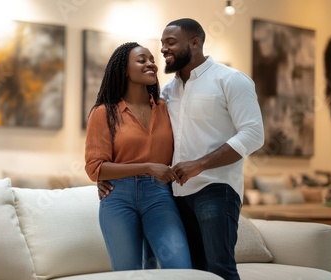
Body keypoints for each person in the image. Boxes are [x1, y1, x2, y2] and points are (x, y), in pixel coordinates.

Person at [98, 19, 264, 280]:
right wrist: (111, 177)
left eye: (170, 42)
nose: (163, 49)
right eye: (162, 43)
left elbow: (254, 134)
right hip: (175, 194)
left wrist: (200, 164)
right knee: (192, 272)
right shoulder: (166, 93)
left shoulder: (230, 80)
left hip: (216, 188)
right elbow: (145, 145)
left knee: (220, 267)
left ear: (195, 42)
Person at [84, 42, 192, 271]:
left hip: (159, 196)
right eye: (142, 60)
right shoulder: (104, 113)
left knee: (181, 269)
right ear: (124, 69)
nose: (151, 64)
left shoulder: (165, 108)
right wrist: (148, 167)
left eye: (152, 59)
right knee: (128, 275)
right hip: (118, 198)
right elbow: (95, 168)